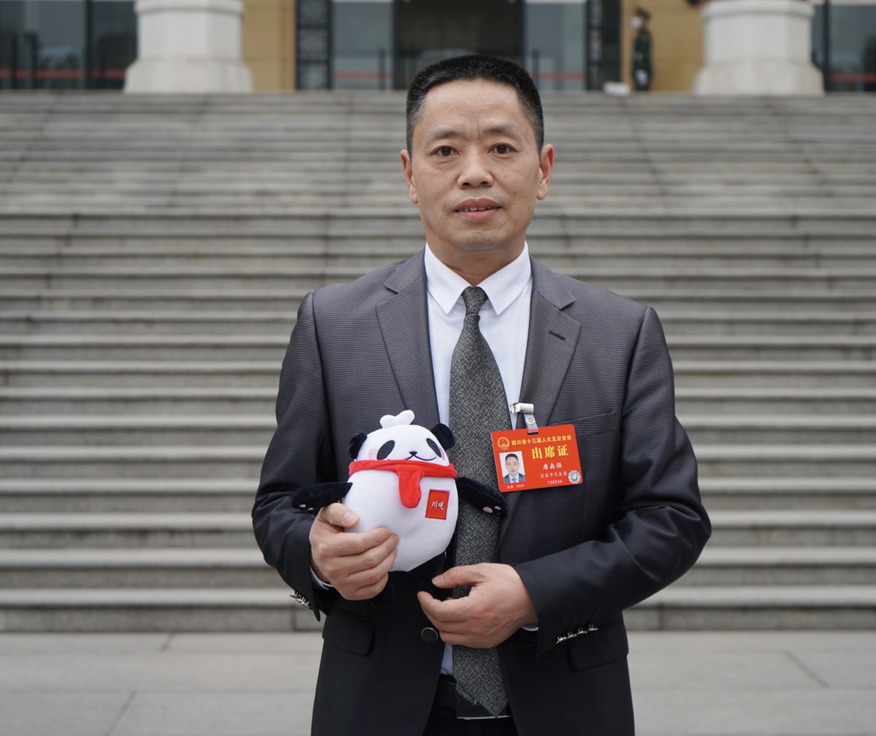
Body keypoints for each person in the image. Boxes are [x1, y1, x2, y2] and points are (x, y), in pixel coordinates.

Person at [252, 54, 709, 736]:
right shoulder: (333, 325)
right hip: (378, 706)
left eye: (501, 147)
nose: (474, 172)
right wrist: (318, 553)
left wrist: (534, 595)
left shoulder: (618, 333)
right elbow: (279, 504)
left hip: (565, 704)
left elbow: (671, 518)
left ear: (543, 169)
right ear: (410, 175)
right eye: (445, 151)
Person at [630, 7, 653, 91]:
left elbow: (644, 53)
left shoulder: (645, 35)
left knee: (642, 91)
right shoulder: (639, 34)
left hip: (643, 68)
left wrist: (641, 69)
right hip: (638, 68)